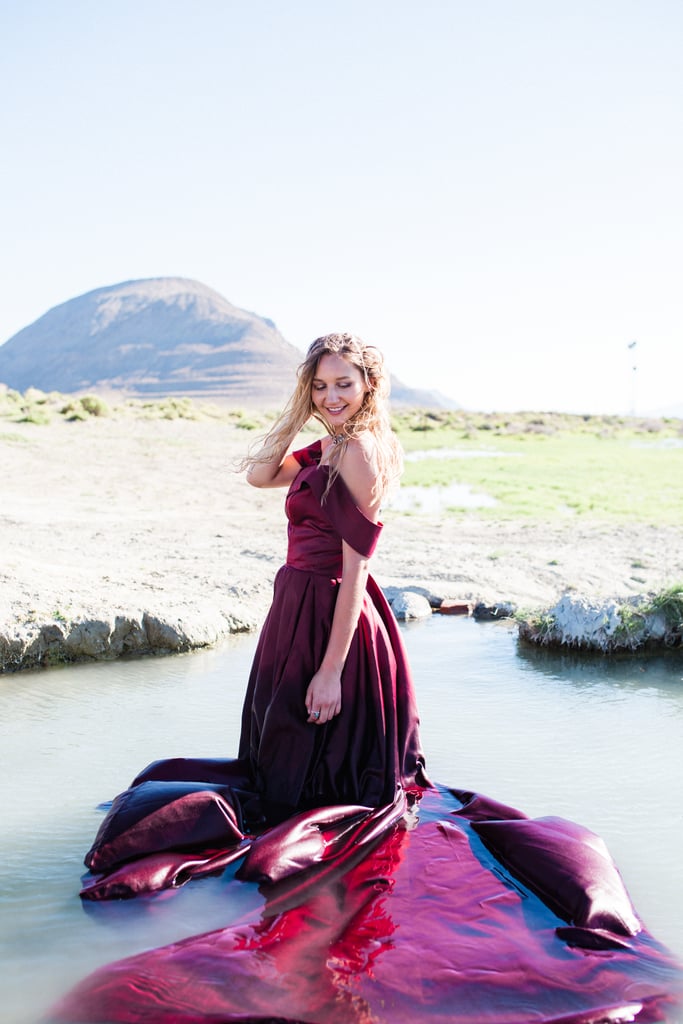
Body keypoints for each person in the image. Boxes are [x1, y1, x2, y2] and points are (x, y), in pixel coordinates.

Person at [237, 332, 428, 822]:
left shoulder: (359, 450)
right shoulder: (333, 443)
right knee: (287, 753)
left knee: (315, 768)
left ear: (369, 384)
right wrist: (299, 413)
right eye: (319, 386)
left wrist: (330, 672)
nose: (332, 397)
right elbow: (261, 474)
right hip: (297, 604)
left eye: (344, 383)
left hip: (331, 609)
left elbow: (355, 566)